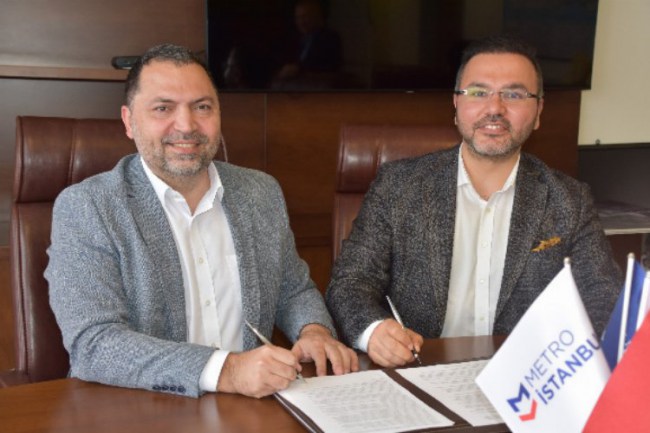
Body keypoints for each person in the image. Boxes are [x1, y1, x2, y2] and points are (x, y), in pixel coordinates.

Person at [45, 43, 358, 399]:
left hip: (250, 408)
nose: (187, 125)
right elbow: (94, 343)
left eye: (202, 107)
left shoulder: (260, 193)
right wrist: (227, 370)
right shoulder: (88, 207)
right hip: (141, 409)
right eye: (163, 108)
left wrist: (313, 330)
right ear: (129, 121)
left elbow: (293, 288)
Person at [325, 35, 621, 368]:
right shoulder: (399, 186)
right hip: (419, 369)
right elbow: (351, 283)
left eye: (514, 94)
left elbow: (602, 298)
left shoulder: (569, 199)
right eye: (478, 93)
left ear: (538, 111)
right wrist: (374, 332)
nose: (494, 108)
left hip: (523, 376)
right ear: (456, 105)